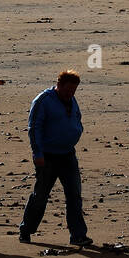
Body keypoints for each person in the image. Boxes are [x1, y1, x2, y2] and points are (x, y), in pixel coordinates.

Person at [19, 70, 92, 247]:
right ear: (58, 85)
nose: (70, 94)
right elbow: (34, 128)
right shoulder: (43, 100)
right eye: (67, 90)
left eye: (73, 91)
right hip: (47, 157)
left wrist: (77, 131)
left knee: (74, 196)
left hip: (68, 154)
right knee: (41, 196)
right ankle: (26, 230)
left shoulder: (72, 100)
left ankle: (78, 235)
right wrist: (38, 154)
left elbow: (77, 118)